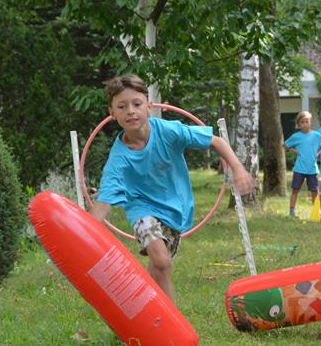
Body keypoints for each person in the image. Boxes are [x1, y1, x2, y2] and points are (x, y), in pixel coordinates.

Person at [89, 75, 255, 301]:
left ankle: (145, 308)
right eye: (122, 107)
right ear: (112, 113)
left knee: (159, 268)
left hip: (176, 208)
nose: (130, 111)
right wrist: (84, 234)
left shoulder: (168, 132)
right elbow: (104, 202)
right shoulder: (118, 158)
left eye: (137, 104)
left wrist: (238, 169)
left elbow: (216, 141)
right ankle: (171, 317)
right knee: (162, 261)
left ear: (149, 107)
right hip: (141, 208)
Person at [284, 111, 321, 218]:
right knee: (295, 190)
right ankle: (292, 212)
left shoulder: (316, 135)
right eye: (302, 122)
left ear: (310, 122)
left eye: (306, 121)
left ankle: (317, 212)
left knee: (315, 191)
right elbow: (285, 145)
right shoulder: (296, 136)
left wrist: (318, 153)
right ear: (298, 124)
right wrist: (295, 151)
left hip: (312, 169)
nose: (304, 124)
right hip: (299, 168)